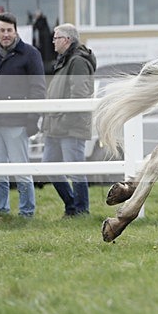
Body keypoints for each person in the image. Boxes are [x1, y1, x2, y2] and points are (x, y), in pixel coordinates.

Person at [0, 12, 46, 217]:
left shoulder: (30, 54)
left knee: (21, 170)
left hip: (17, 122)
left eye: (9, 30)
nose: (6, 34)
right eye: (2, 30)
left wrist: (32, 119)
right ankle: (1, 212)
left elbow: (38, 89)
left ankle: (27, 213)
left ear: (15, 30)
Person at [41, 23, 96, 217]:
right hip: (56, 127)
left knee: (75, 170)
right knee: (49, 166)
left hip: (70, 128)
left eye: (56, 37)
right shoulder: (65, 60)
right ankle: (72, 206)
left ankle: (81, 210)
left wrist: (62, 122)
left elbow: (79, 96)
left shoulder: (77, 62)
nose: (53, 41)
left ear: (67, 40)